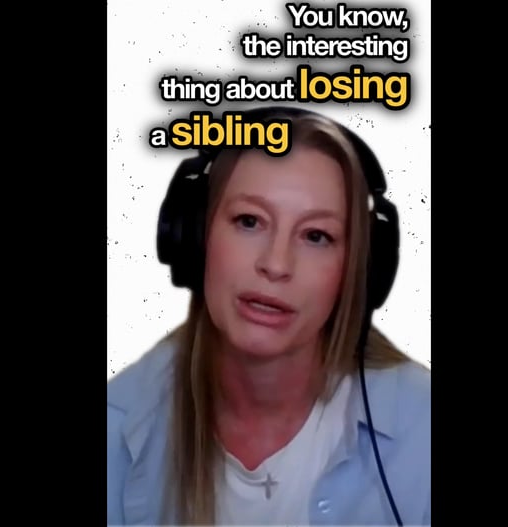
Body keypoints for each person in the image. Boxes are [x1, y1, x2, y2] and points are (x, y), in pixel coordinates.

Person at [107, 107, 430, 525]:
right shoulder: (118, 421)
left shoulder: (422, 429)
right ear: (194, 236)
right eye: (249, 221)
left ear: (359, 271)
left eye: (316, 236)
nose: (276, 264)